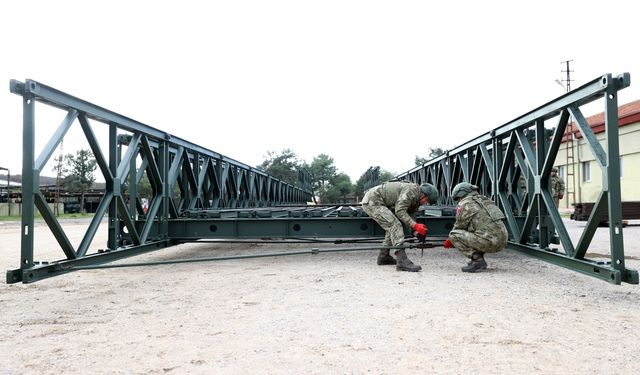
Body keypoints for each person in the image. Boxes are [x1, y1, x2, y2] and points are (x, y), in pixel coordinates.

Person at [361, 181, 438, 272]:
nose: (426, 203)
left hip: (379, 201)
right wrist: (416, 225)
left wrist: (415, 232)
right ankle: (402, 261)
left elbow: (409, 216)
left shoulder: (416, 200)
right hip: (373, 201)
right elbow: (400, 211)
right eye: (427, 201)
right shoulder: (411, 190)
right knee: (395, 225)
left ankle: (383, 256)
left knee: (391, 228)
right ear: (423, 195)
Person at [443, 182, 508, 273]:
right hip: (503, 242)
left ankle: (477, 260)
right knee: (478, 231)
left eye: (457, 198)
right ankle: (478, 258)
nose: (458, 201)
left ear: (461, 194)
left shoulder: (466, 203)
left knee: (454, 234)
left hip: (490, 242)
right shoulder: (485, 200)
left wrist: (450, 240)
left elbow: (459, 226)